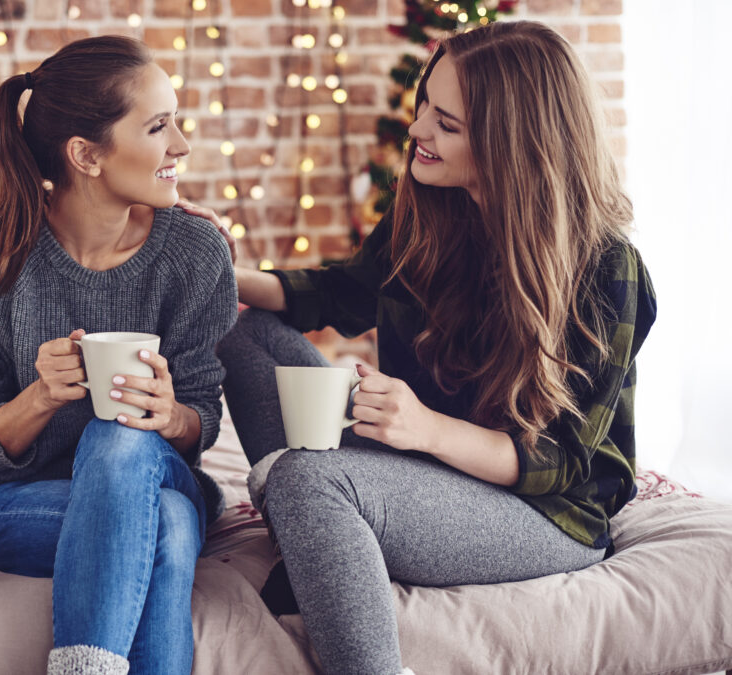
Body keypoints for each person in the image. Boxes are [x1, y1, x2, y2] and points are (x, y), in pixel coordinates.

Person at [208, 20, 656, 675]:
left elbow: (560, 462)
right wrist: (220, 272)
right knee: (243, 333)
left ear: (512, 143)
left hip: (543, 510)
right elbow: (343, 292)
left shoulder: (605, 268)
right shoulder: (432, 215)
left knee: (305, 476)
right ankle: (327, 526)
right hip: (425, 468)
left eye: (446, 123)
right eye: (425, 105)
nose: (417, 129)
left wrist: (424, 427)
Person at [0, 36, 237, 675]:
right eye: (158, 126)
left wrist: (170, 413)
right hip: (3, 503)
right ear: (86, 155)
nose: (181, 144)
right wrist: (40, 396)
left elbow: (202, 417)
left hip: (152, 470)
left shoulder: (196, 254)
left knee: (118, 439)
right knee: (170, 527)